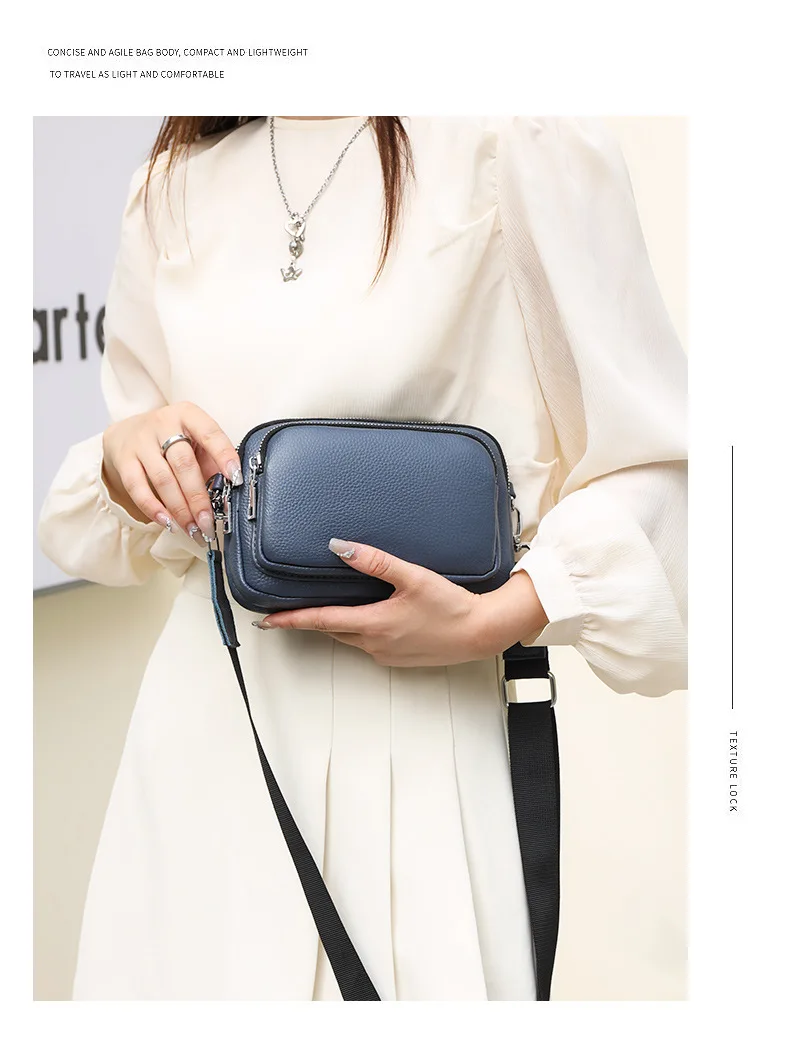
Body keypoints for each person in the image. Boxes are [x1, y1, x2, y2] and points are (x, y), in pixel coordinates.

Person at [38, 115, 687, 1001]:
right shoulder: (173, 185)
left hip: (419, 732)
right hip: (208, 728)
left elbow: (667, 468)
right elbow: (114, 488)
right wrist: (128, 456)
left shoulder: (519, 138)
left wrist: (501, 614)